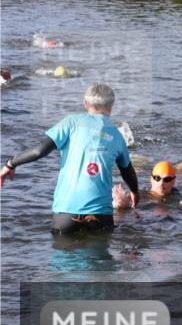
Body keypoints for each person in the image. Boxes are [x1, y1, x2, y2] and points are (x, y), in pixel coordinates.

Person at [0, 83, 139, 233]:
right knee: (100, 255)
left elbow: (40, 151)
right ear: (111, 106)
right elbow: (127, 170)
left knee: (65, 254)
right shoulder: (117, 136)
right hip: (101, 215)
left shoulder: (71, 122)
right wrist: (135, 192)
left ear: (85, 104)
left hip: (67, 213)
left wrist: (10, 164)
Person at [112, 159, 182, 208]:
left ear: (173, 181)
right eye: (157, 178)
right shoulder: (141, 196)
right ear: (151, 179)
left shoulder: (180, 196)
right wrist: (122, 205)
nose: (161, 183)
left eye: (167, 179)